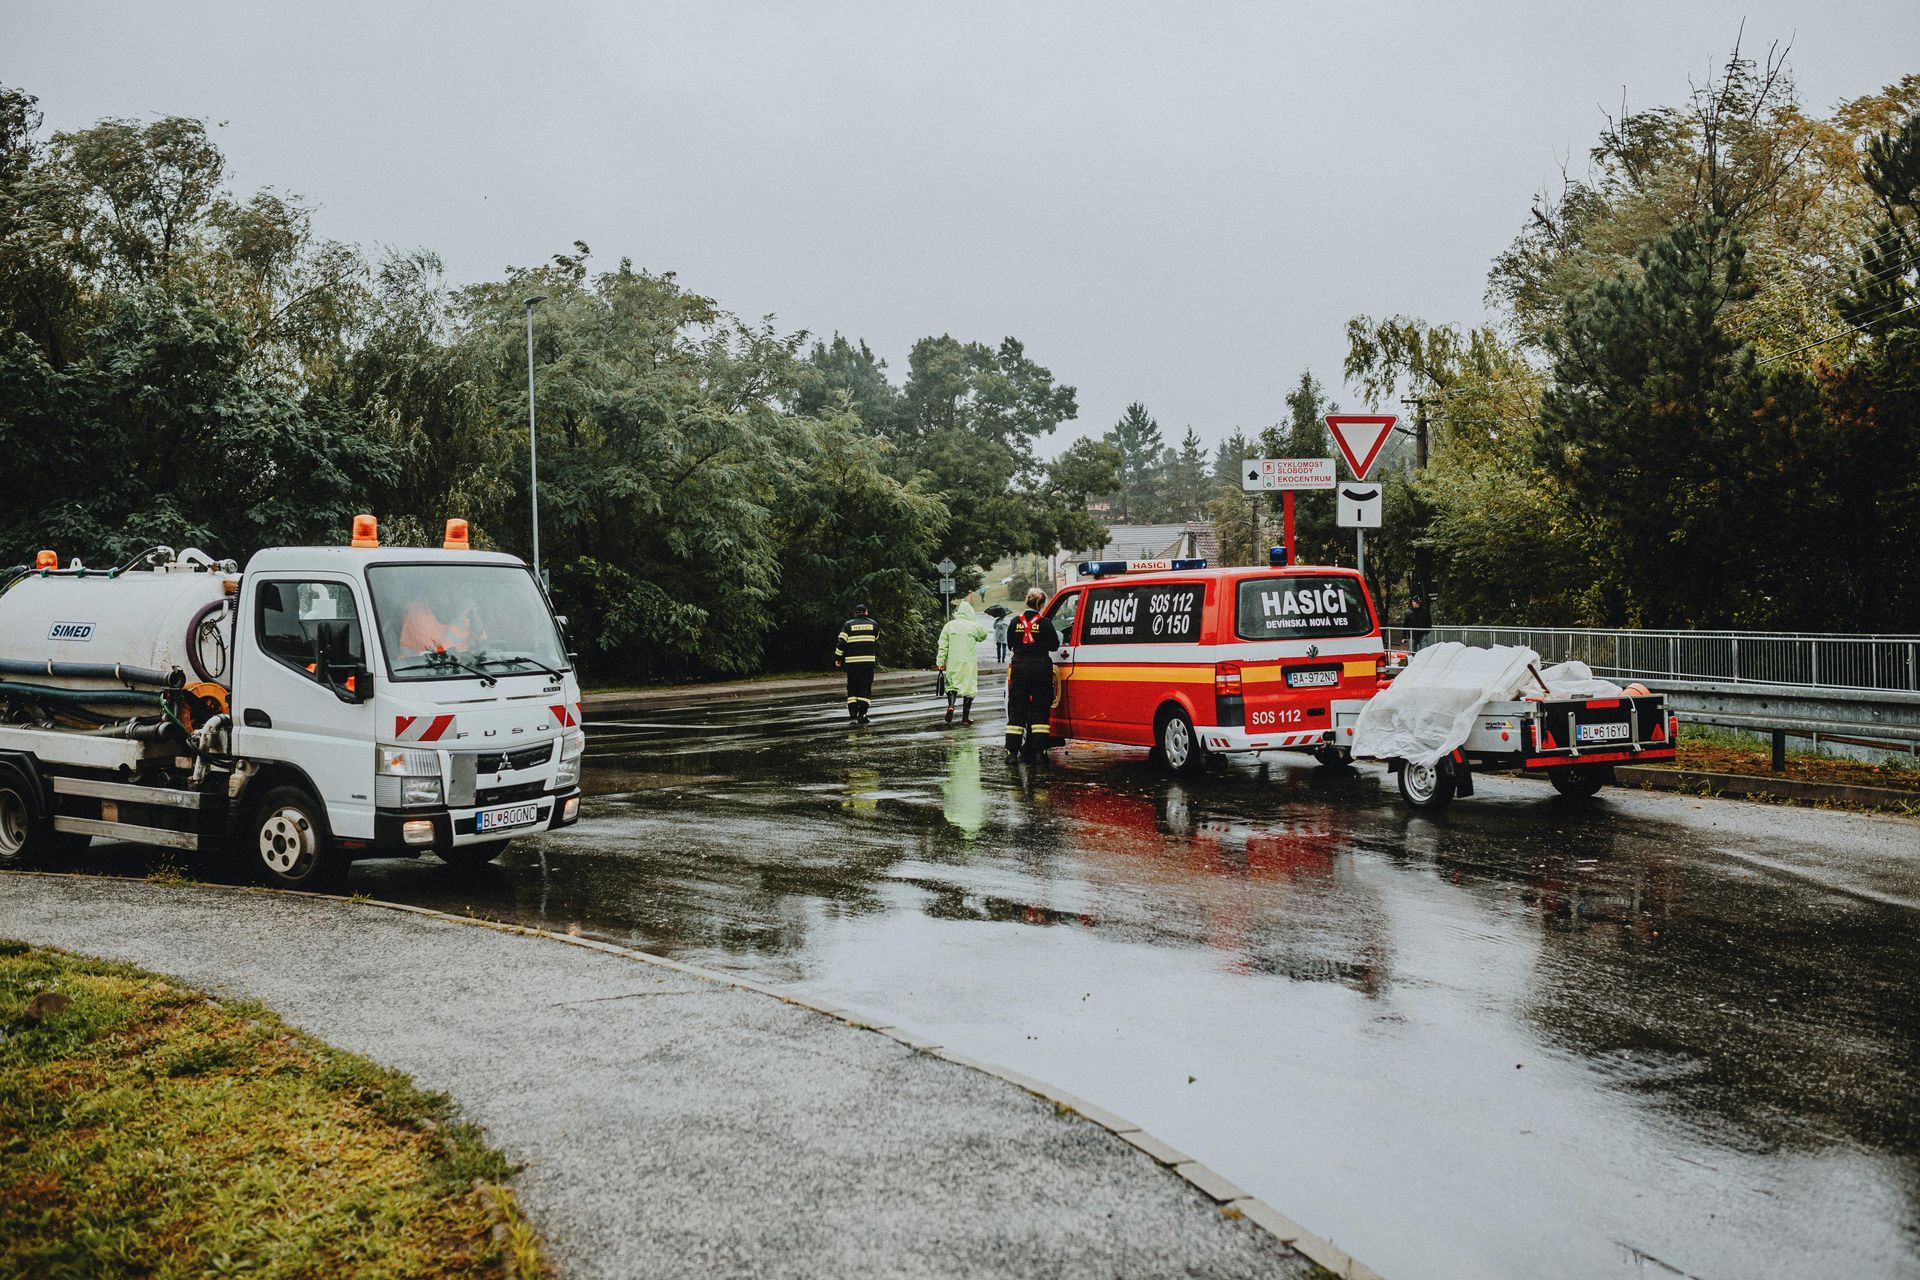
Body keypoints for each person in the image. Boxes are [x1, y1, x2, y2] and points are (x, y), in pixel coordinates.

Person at [1004, 587, 1060, 760]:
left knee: (1017, 708)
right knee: (1040, 708)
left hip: (1019, 667)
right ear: (1041, 604)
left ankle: (1012, 753)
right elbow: (1054, 646)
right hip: (1040, 667)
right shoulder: (1044, 623)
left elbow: (1009, 644)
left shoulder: (1014, 622)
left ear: (1026, 601)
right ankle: (1038, 752)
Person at [936, 601, 989, 725]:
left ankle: (951, 705)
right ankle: (965, 718)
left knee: (952, 685)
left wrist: (940, 662)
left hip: (953, 662)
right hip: (968, 663)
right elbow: (984, 635)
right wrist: (974, 624)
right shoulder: (974, 626)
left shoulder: (949, 625)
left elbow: (943, 645)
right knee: (969, 688)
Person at [835, 603, 878, 723]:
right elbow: (876, 638)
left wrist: (838, 657)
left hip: (852, 663)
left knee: (852, 686)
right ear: (866, 612)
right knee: (865, 687)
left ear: (855, 613)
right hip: (868, 662)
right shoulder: (873, 624)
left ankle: (853, 713)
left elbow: (841, 642)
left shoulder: (848, 625)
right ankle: (862, 714)